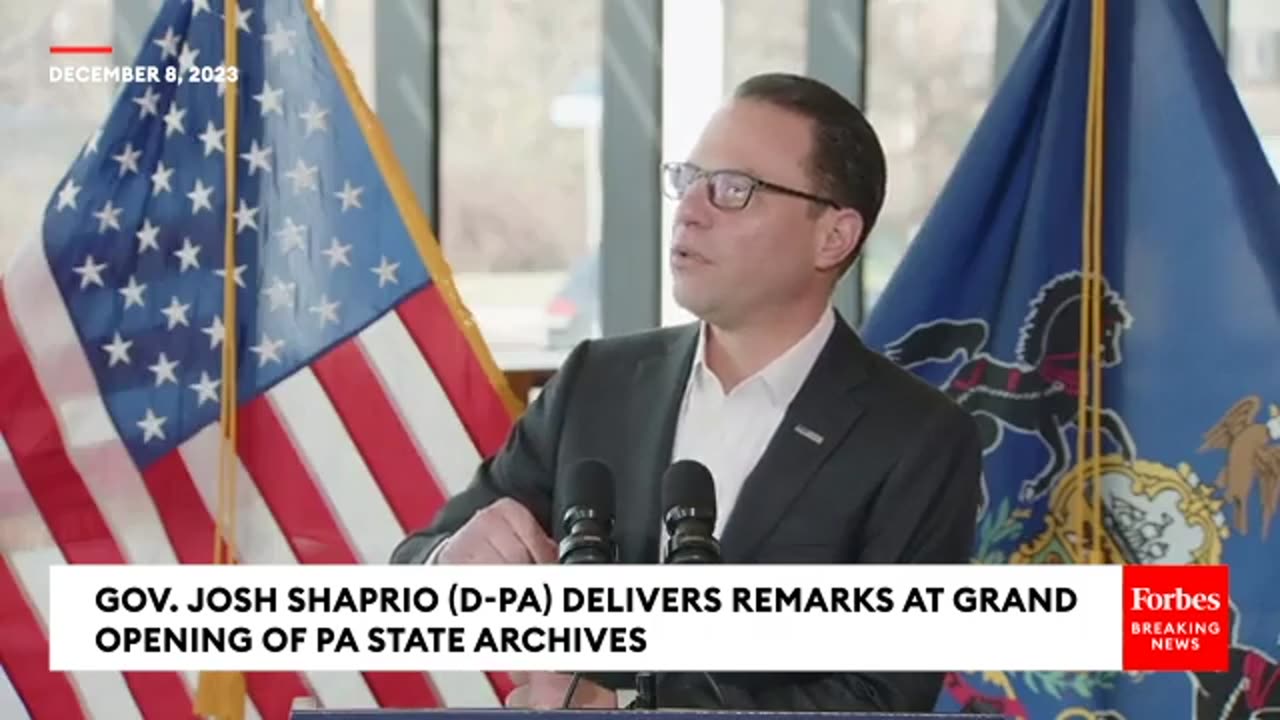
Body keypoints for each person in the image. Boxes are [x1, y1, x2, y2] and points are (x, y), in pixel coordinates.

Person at [390, 72, 983, 712]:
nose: (690, 210)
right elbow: (414, 566)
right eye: (688, 178)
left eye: (734, 189)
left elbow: (884, 695)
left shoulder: (917, 437)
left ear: (833, 236)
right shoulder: (599, 381)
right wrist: (451, 565)